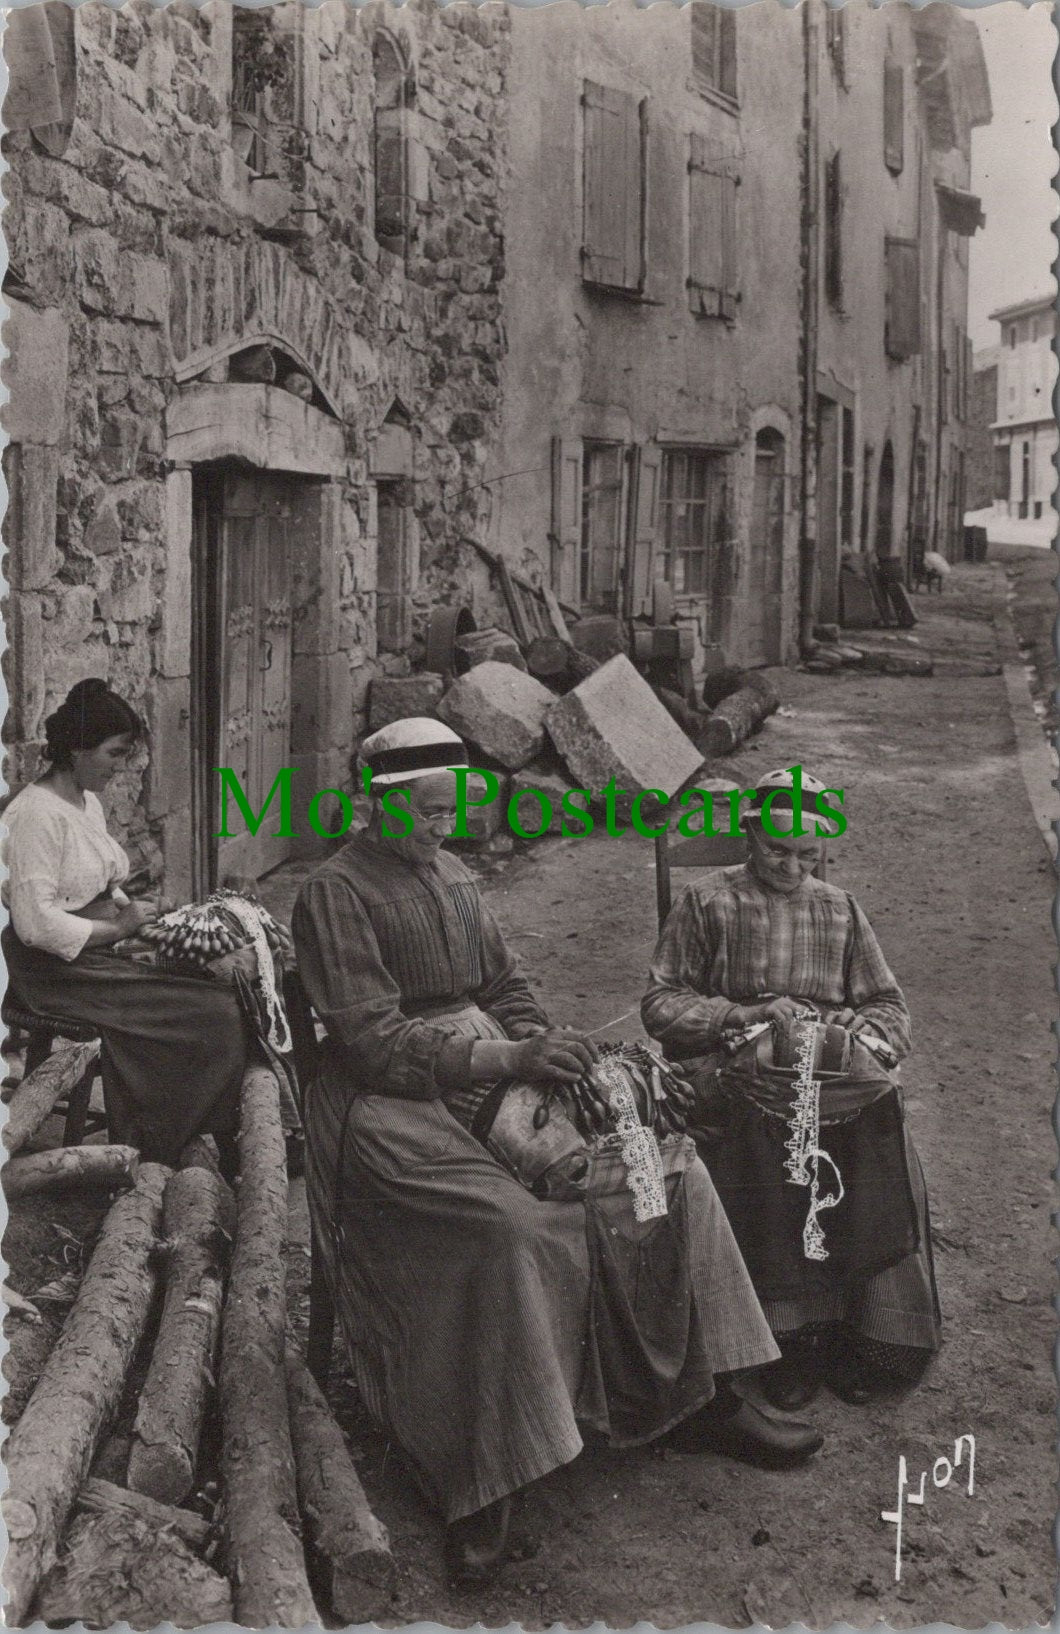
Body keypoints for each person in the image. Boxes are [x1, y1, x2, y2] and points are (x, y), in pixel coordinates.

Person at [292, 718, 823, 1583]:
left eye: (450, 811)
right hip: (388, 1111)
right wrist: (508, 1057)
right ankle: (488, 1473)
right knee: (510, 1231)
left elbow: (505, 986)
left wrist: (555, 1055)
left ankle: (707, 1392)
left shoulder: (455, 872)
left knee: (665, 1173)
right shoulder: (334, 891)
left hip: (496, 1071)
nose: (442, 828)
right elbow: (372, 1042)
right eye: (427, 813)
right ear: (377, 804)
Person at [642, 767, 941, 1413]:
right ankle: (792, 1332)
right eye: (778, 850)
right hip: (728, 1059)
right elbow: (661, 1004)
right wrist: (741, 1015)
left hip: (820, 1059)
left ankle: (871, 1326)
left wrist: (863, 1024)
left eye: (809, 856)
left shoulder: (838, 908)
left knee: (871, 1108)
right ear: (749, 835)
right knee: (784, 1121)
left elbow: (889, 1005)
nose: (792, 866)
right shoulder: (706, 901)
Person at [2, 678, 247, 1168]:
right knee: (210, 1014)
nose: (121, 767)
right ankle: (157, 1143)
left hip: (96, 950)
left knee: (216, 984)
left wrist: (132, 911)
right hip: (52, 970)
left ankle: (197, 1127)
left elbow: (95, 878)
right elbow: (34, 924)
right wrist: (118, 929)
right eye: (114, 754)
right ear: (77, 749)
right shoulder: (34, 816)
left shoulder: (84, 802)